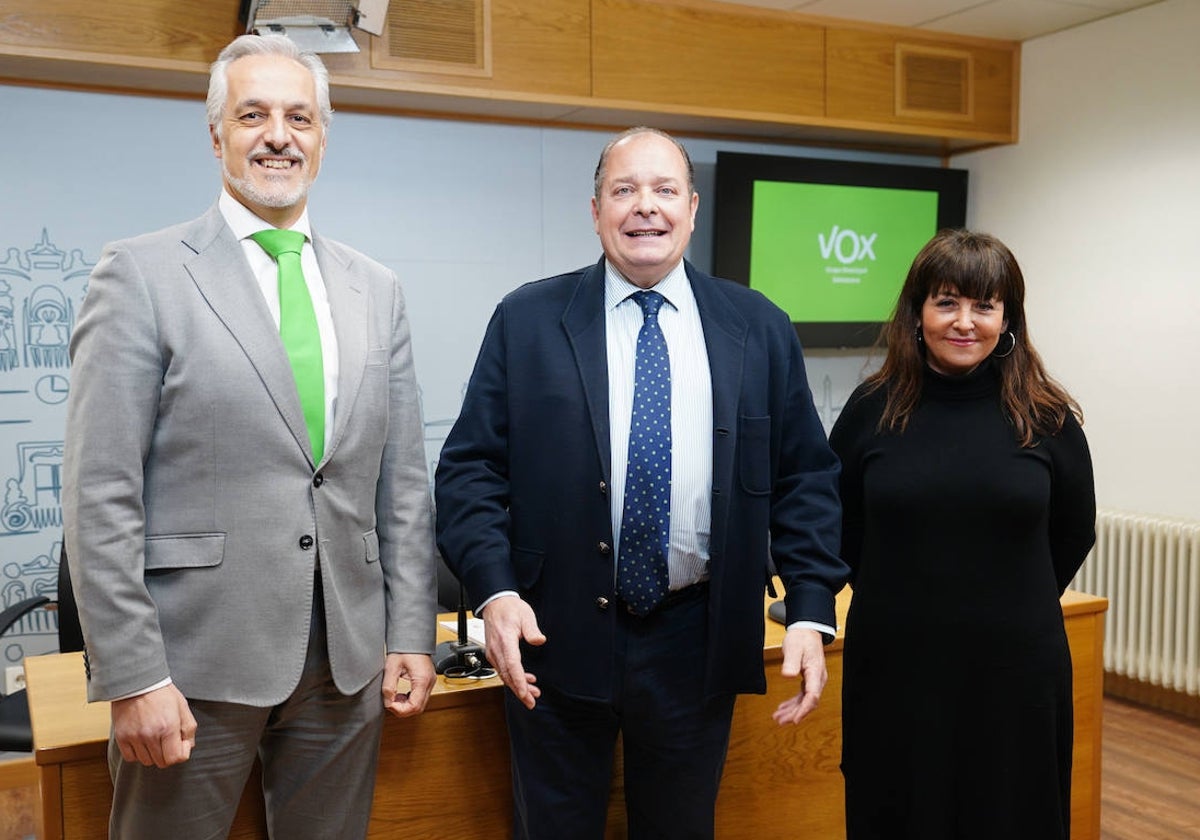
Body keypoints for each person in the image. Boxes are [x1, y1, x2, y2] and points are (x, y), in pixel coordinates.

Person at [61, 33, 437, 839]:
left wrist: (410, 632)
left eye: (299, 117)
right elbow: (100, 493)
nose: (278, 135)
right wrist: (132, 676)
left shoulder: (377, 289)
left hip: (345, 662)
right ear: (217, 135)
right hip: (192, 663)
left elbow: (401, 482)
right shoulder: (141, 273)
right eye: (253, 114)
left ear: (323, 137)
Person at [434, 126, 847, 839]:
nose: (644, 207)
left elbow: (804, 477)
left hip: (698, 636)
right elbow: (470, 471)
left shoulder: (759, 327)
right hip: (550, 639)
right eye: (624, 190)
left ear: (690, 208)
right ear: (595, 210)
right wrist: (496, 592)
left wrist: (810, 607)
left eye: (662, 191)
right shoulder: (526, 321)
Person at [829, 229, 1096, 839]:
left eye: (985, 305)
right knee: (899, 812)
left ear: (1008, 319)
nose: (965, 322)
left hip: (1016, 674)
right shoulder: (873, 407)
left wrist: (1004, 602)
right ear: (917, 312)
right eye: (946, 302)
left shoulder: (1047, 416)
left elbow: (1074, 531)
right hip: (896, 670)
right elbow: (840, 527)